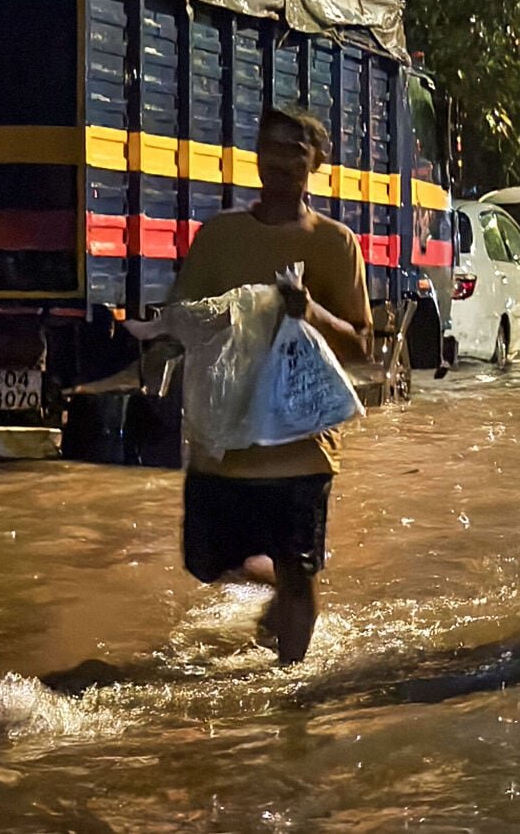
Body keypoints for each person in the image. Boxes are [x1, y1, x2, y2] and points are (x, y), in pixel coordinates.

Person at [172, 106, 372, 665]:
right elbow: (183, 318)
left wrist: (311, 313)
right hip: (224, 444)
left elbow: (362, 344)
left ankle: (291, 695)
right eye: (271, 147)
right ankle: (283, 590)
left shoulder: (335, 244)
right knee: (206, 561)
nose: (281, 160)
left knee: (297, 568)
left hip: (301, 450)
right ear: (255, 157)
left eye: (295, 149)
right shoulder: (220, 237)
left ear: (317, 163)